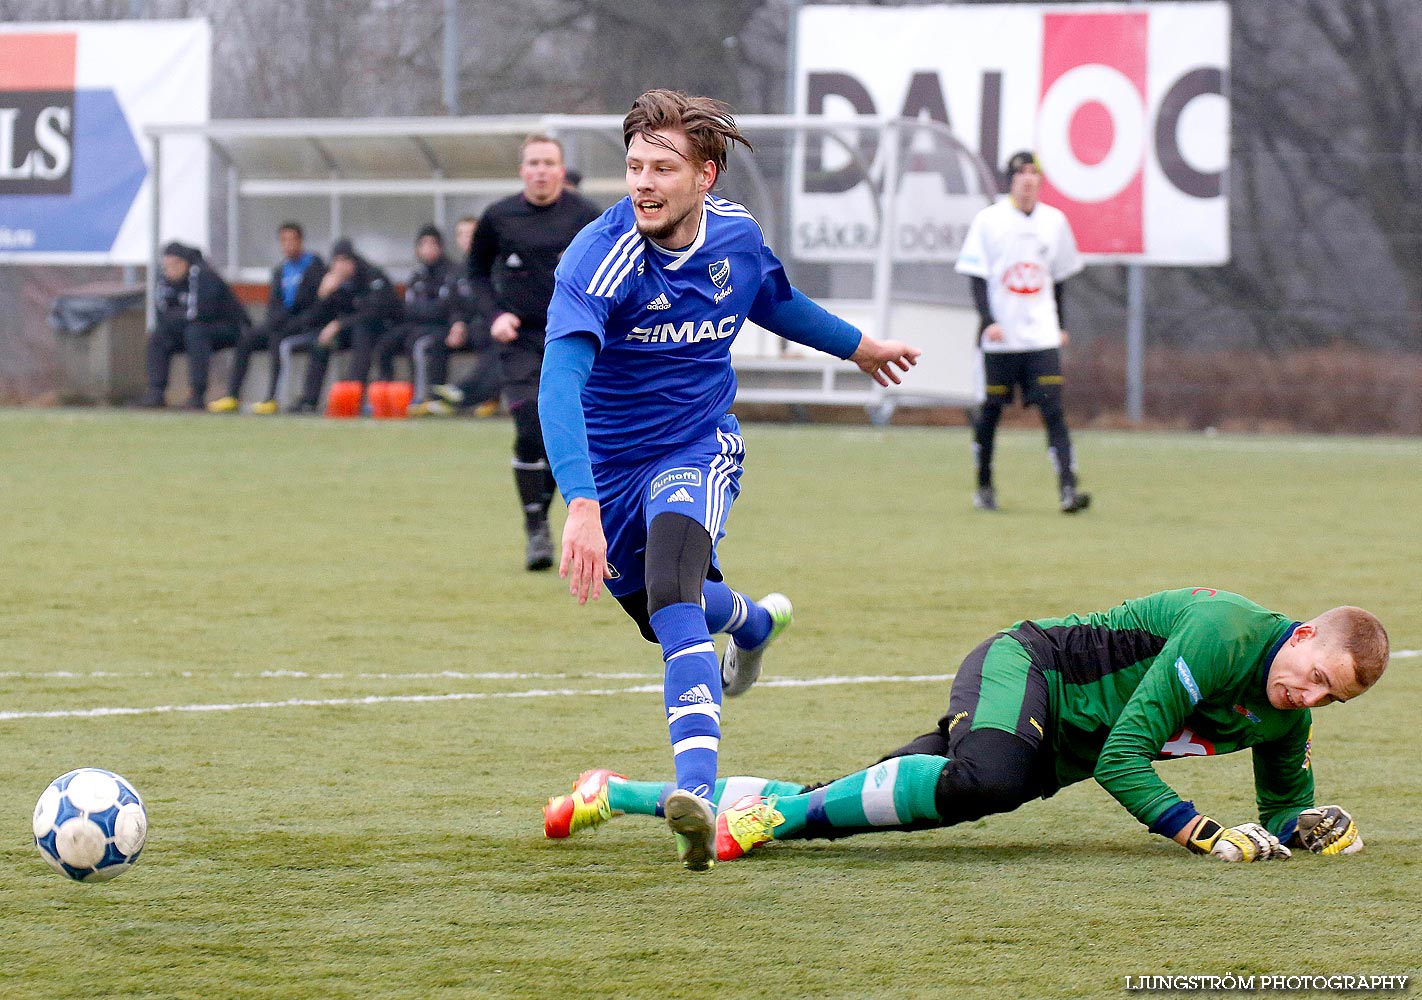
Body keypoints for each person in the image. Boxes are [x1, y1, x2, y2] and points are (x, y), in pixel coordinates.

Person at [538, 89, 921, 871]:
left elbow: (774, 301)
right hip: (609, 472)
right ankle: (748, 621)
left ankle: (697, 796)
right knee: (662, 608)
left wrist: (859, 347)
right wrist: (580, 501)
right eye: (635, 166)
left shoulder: (736, 239)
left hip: (697, 445)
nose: (644, 182)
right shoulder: (598, 258)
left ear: (706, 175)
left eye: (664, 167)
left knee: (676, 599)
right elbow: (558, 384)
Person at [544, 588, 1388, 866]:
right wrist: (1204, 834)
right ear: (1303, 635)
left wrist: (1307, 828)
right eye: (1312, 676)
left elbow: (1281, 806)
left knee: (873, 800)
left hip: (1054, 743)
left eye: (1328, 701)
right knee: (992, 779)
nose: (1305, 699)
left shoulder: (1285, 715)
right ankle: (769, 822)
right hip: (1029, 671)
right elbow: (1126, 758)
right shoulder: (1230, 632)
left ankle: (613, 792)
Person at [465, 134, 601, 567]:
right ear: (522, 170)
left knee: (567, 430)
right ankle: (535, 528)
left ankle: (541, 523)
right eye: (533, 163)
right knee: (530, 426)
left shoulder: (586, 216)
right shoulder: (498, 217)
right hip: (521, 338)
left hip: (575, 337)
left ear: (561, 170)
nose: (541, 170)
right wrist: (494, 316)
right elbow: (476, 272)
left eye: (548, 162)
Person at [956, 150, 1089, 514]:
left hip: (1040, 338)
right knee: (990, 414)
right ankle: (984, 485)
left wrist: (1060, 325)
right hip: (1001, 341)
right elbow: (977, 278)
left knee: (1054, 411)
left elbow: (1058, 279)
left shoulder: (1055, 222)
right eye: (1021, 173)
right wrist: (989, 322)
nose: (1028, 179)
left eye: (1034, 173)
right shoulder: (989, 221)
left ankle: (1067, 488)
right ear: (1010, 181)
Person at [207, 222, 325, 414]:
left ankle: (272, 398)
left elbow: (315, 305)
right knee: (246, 337)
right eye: (283, 241)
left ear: (300, 241)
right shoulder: (281, 271)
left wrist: (290, 322)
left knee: (277, 340)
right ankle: (233, 395)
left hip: (304, 326)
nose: (287, 245)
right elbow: (274, 305)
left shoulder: (314, 266)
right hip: (281, 324)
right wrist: (276, 320)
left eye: (291, 240)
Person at [290, 238, 401, 413]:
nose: (341, 266)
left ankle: (353, 397)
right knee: (321, 341)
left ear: (353, 260)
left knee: (362, 332)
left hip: (380, 330)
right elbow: (311, 319)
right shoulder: (330, 280)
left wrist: (339, 324)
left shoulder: (372, 276)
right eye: (337, 261)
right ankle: (309, 399)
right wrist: (323, 296)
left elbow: (375, 312)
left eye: (345, 261)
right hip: (347, 331)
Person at [140, 242, 248, 409]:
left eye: (174, 264)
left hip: (228, 329)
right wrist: (175, 320)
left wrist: (175, 318)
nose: (170, 269)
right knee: (158, 336)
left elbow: (200, 313)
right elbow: (162, 313)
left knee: (196, 333)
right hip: (189, 329)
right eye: (166, 264)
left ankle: (197, 394)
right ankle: (156, 392)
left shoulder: (202, 276)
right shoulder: (164, 280)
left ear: (184, 263)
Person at [420, 215, 502, 418]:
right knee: (434, 342)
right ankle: (437, 397)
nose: (467, 239)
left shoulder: (494, 266)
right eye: (462, 235)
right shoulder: (457, 271)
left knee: (495, 343)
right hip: (468, 329)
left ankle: (470, 395)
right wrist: (457, 324)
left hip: (489, 327)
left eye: (471, 234)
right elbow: (454, 305)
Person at [372, 224, 461, 398]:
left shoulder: (451, 272)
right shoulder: (417, 275)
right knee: (384, 343)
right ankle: (385, 394)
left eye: (432, 244)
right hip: (415, 326)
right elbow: (408, 308)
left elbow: (445, 308)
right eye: (423, 245)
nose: (427, 249)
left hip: (439, 328)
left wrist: (423, 310)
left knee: (419, 345)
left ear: (440, 247)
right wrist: (425, 310)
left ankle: (421, 397)